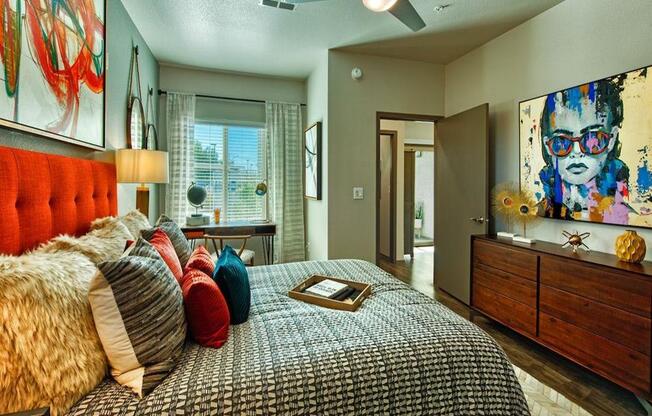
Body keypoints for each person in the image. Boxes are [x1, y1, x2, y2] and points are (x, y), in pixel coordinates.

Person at [538, 77, 630, 224]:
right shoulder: (538, 213)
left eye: (592, 139)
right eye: (561, 142)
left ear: (611, 140)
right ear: (547, 146)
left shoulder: (629, 218)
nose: (576, 152)